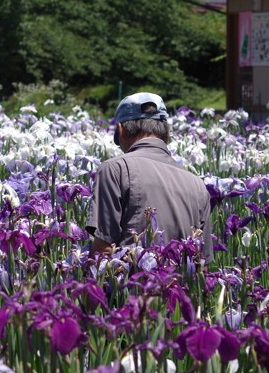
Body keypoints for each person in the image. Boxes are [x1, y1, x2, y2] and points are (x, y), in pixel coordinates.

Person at [86, 92, 211, 259]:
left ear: (121, 131)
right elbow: (202, 260)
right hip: (179, 284)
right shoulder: (198, 185)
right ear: (167, 135)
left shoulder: (114, 169)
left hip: (135, 283)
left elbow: (103, 251)